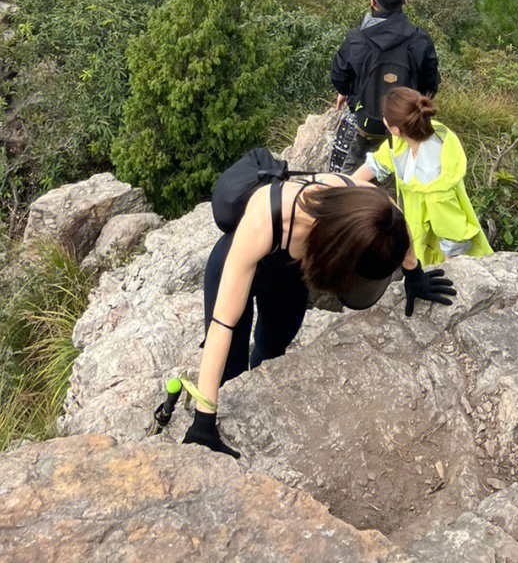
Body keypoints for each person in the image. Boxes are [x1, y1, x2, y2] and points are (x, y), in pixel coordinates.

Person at [182, 169, 456, 456]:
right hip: (237, 261)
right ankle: (222, 402)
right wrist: (204, 417)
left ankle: (258, 384)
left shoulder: (373, 210)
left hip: (290, 271)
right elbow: (222, 323)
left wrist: (414, 275)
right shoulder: (267, 217)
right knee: (231, 364)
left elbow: (397, 221)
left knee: (273, 345)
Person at [353, 87, 492, 262]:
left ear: (395, 129)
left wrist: (449, 275)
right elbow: (379, 162)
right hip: (419, 243)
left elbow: (453, 235)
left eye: (384, 116)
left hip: (438, 257)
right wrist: (343, 184)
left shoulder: (433, 181)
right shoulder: (415, 133)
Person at [328, 0, 440, 175]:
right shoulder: (420, 41)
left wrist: (345, 92)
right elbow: (431, 84)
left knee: (344, 171)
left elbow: (339, 76)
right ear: (405, 0)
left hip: (365, 122)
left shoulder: (357, 39)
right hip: (406, 124)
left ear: (372, 1)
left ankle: (349, 182)